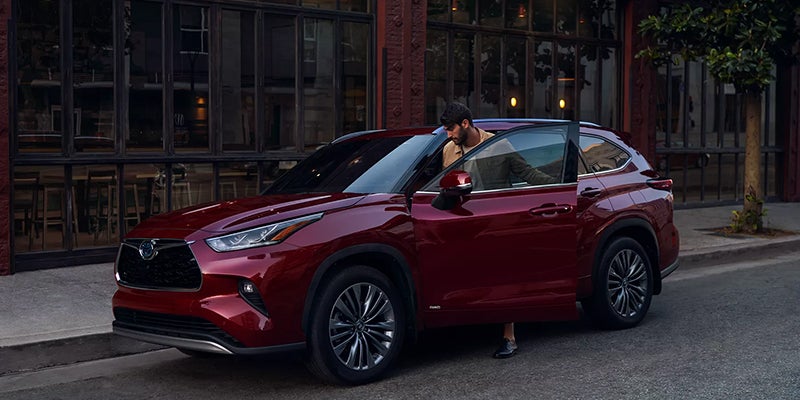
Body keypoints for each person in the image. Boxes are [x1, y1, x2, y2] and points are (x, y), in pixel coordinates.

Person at [439, 102, 555, 359]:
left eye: (450, 128)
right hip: (463, 221)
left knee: (502, 275)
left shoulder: (498, 146)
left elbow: (528, 173)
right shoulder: (449, 150)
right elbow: (444, 184)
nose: (448, 134)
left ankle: (509, 337)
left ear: (465, 123)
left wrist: (563, 186)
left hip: (496, 220)